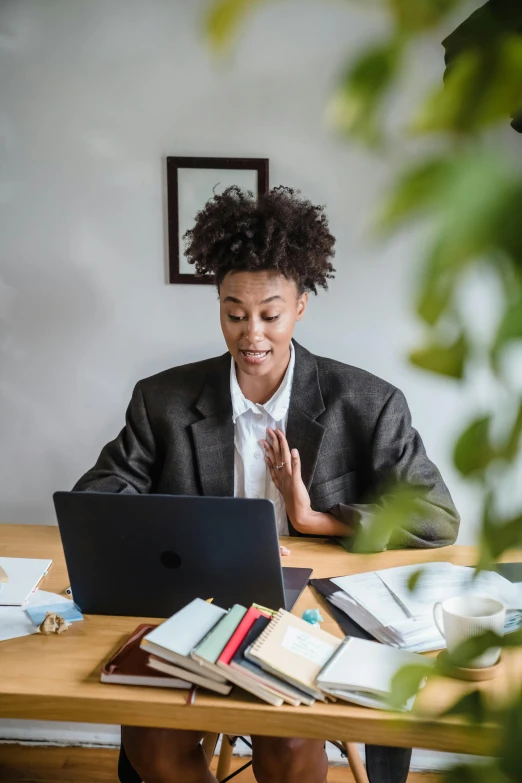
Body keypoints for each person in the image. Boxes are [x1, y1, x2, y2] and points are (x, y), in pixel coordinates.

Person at [74, 185, 460, 783]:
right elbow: (100, 495)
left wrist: (315, 520)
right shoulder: (163, 400)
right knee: (150, 739)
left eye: (270, 314)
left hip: (304, 619)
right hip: (191, 609)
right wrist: (158, 526)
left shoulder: (369, 403)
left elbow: (436, 516)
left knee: (288, 743)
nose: (251, 334)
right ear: (219, 306)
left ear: (301, 306)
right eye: (234, 312)